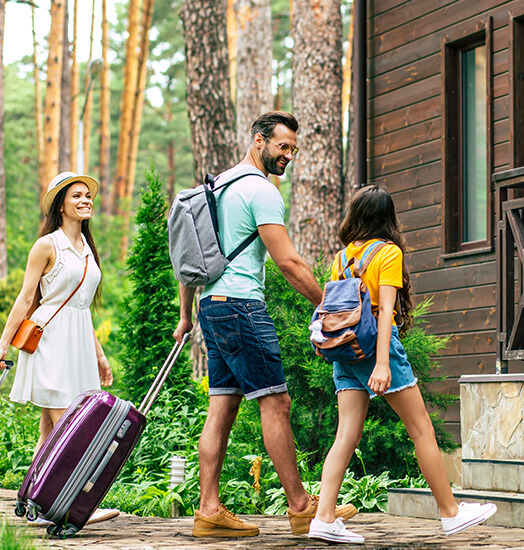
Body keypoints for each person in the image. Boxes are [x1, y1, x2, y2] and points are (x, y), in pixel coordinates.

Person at [173, 111, 356, 538]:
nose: (288, 155)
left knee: (222, 405)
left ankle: (208, 509)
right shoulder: (261, 191)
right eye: (282, 146)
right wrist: (333, 306)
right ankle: (300, 508)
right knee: (276, 403)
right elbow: (288, 262)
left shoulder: (215, 186)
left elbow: (189, 261)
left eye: (293, 148)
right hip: (240, 307)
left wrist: (187, 314)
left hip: (211, 306)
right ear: (259, 141)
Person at [307, 186, 497, 544]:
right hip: (376, 350)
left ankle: (324, 517)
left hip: (344, 350)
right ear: (388, 218)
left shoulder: (341, 256)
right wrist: (383, 364)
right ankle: (451, 513)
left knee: (346, 434)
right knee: (421, 429)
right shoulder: (388, 253)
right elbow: (384, 316)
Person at [0, 171, 118, 526]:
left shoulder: (88, 249)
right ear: (60, 205)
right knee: (73, 427)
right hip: (49, 341)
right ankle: (76, 505)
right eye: (76, 196)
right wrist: (3, 347)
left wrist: (100, 355)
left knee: (51, 430)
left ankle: (34, 502)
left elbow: (82, 307)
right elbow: (26, 298)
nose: (85, 200)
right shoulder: (47, 245)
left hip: (77, 341)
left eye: (88, 195)